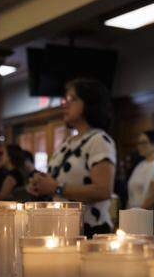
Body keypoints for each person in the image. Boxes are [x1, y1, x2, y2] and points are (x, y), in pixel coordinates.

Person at [28, 78, 118, 236]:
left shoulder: (99, 140)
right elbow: (56, 183)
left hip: (89, 230)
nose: (65, 104)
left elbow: (103, 190)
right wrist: (40, 184)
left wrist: (56, 187)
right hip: (63, 229)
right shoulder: (67, 143)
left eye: (72, 99)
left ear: (89, 103)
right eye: (65, 99)